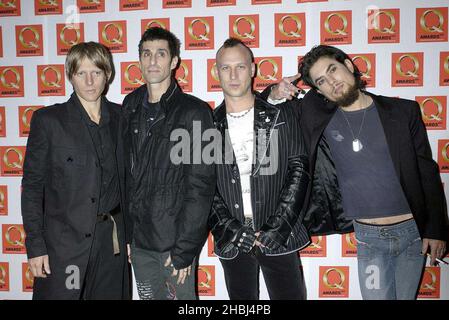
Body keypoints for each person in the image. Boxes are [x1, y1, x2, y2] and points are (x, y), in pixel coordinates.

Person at [266, 44, 448, 300]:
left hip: (413, 233)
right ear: (318, 91)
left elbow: (427, 171)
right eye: (321, 81)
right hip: (369, 238)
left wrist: (436, 229)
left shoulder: (403, 111)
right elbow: (267, 115)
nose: (332, 82)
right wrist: (275, 92)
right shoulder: (316, 116)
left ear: (349, 66)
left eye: (333, 70)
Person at [21, 42, 130, 300]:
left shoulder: (122, 117)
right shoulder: (48, 121)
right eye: (82, 73)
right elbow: (33, 188)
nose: (90, 81)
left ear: (108, 75)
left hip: (111, 246)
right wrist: (36, 246)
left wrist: (132, 237)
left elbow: (130, 182)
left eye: (97, 72)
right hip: (64, 247)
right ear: (70, 75)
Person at [208, 38, 310, 300]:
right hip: (232, 237)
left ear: (252, 69)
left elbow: (298, 170)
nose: (233, 75)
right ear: (215, 71)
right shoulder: (207, 124)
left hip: (279, 232)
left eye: (240, 67)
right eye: (225, 68)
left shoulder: (280, 114)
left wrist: (278, 227)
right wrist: (231, 229)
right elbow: (204, 187)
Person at [122, 27, 216, 300]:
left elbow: (202, 185)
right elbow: (127, 177)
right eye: (146, 54)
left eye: (160, 54)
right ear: (139, 59)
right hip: (140, 245)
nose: (152, 61)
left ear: (174, 61)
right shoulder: (130, 105)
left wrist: (185, 250)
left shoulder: (196, 111)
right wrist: (129, 235)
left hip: (174, 246)